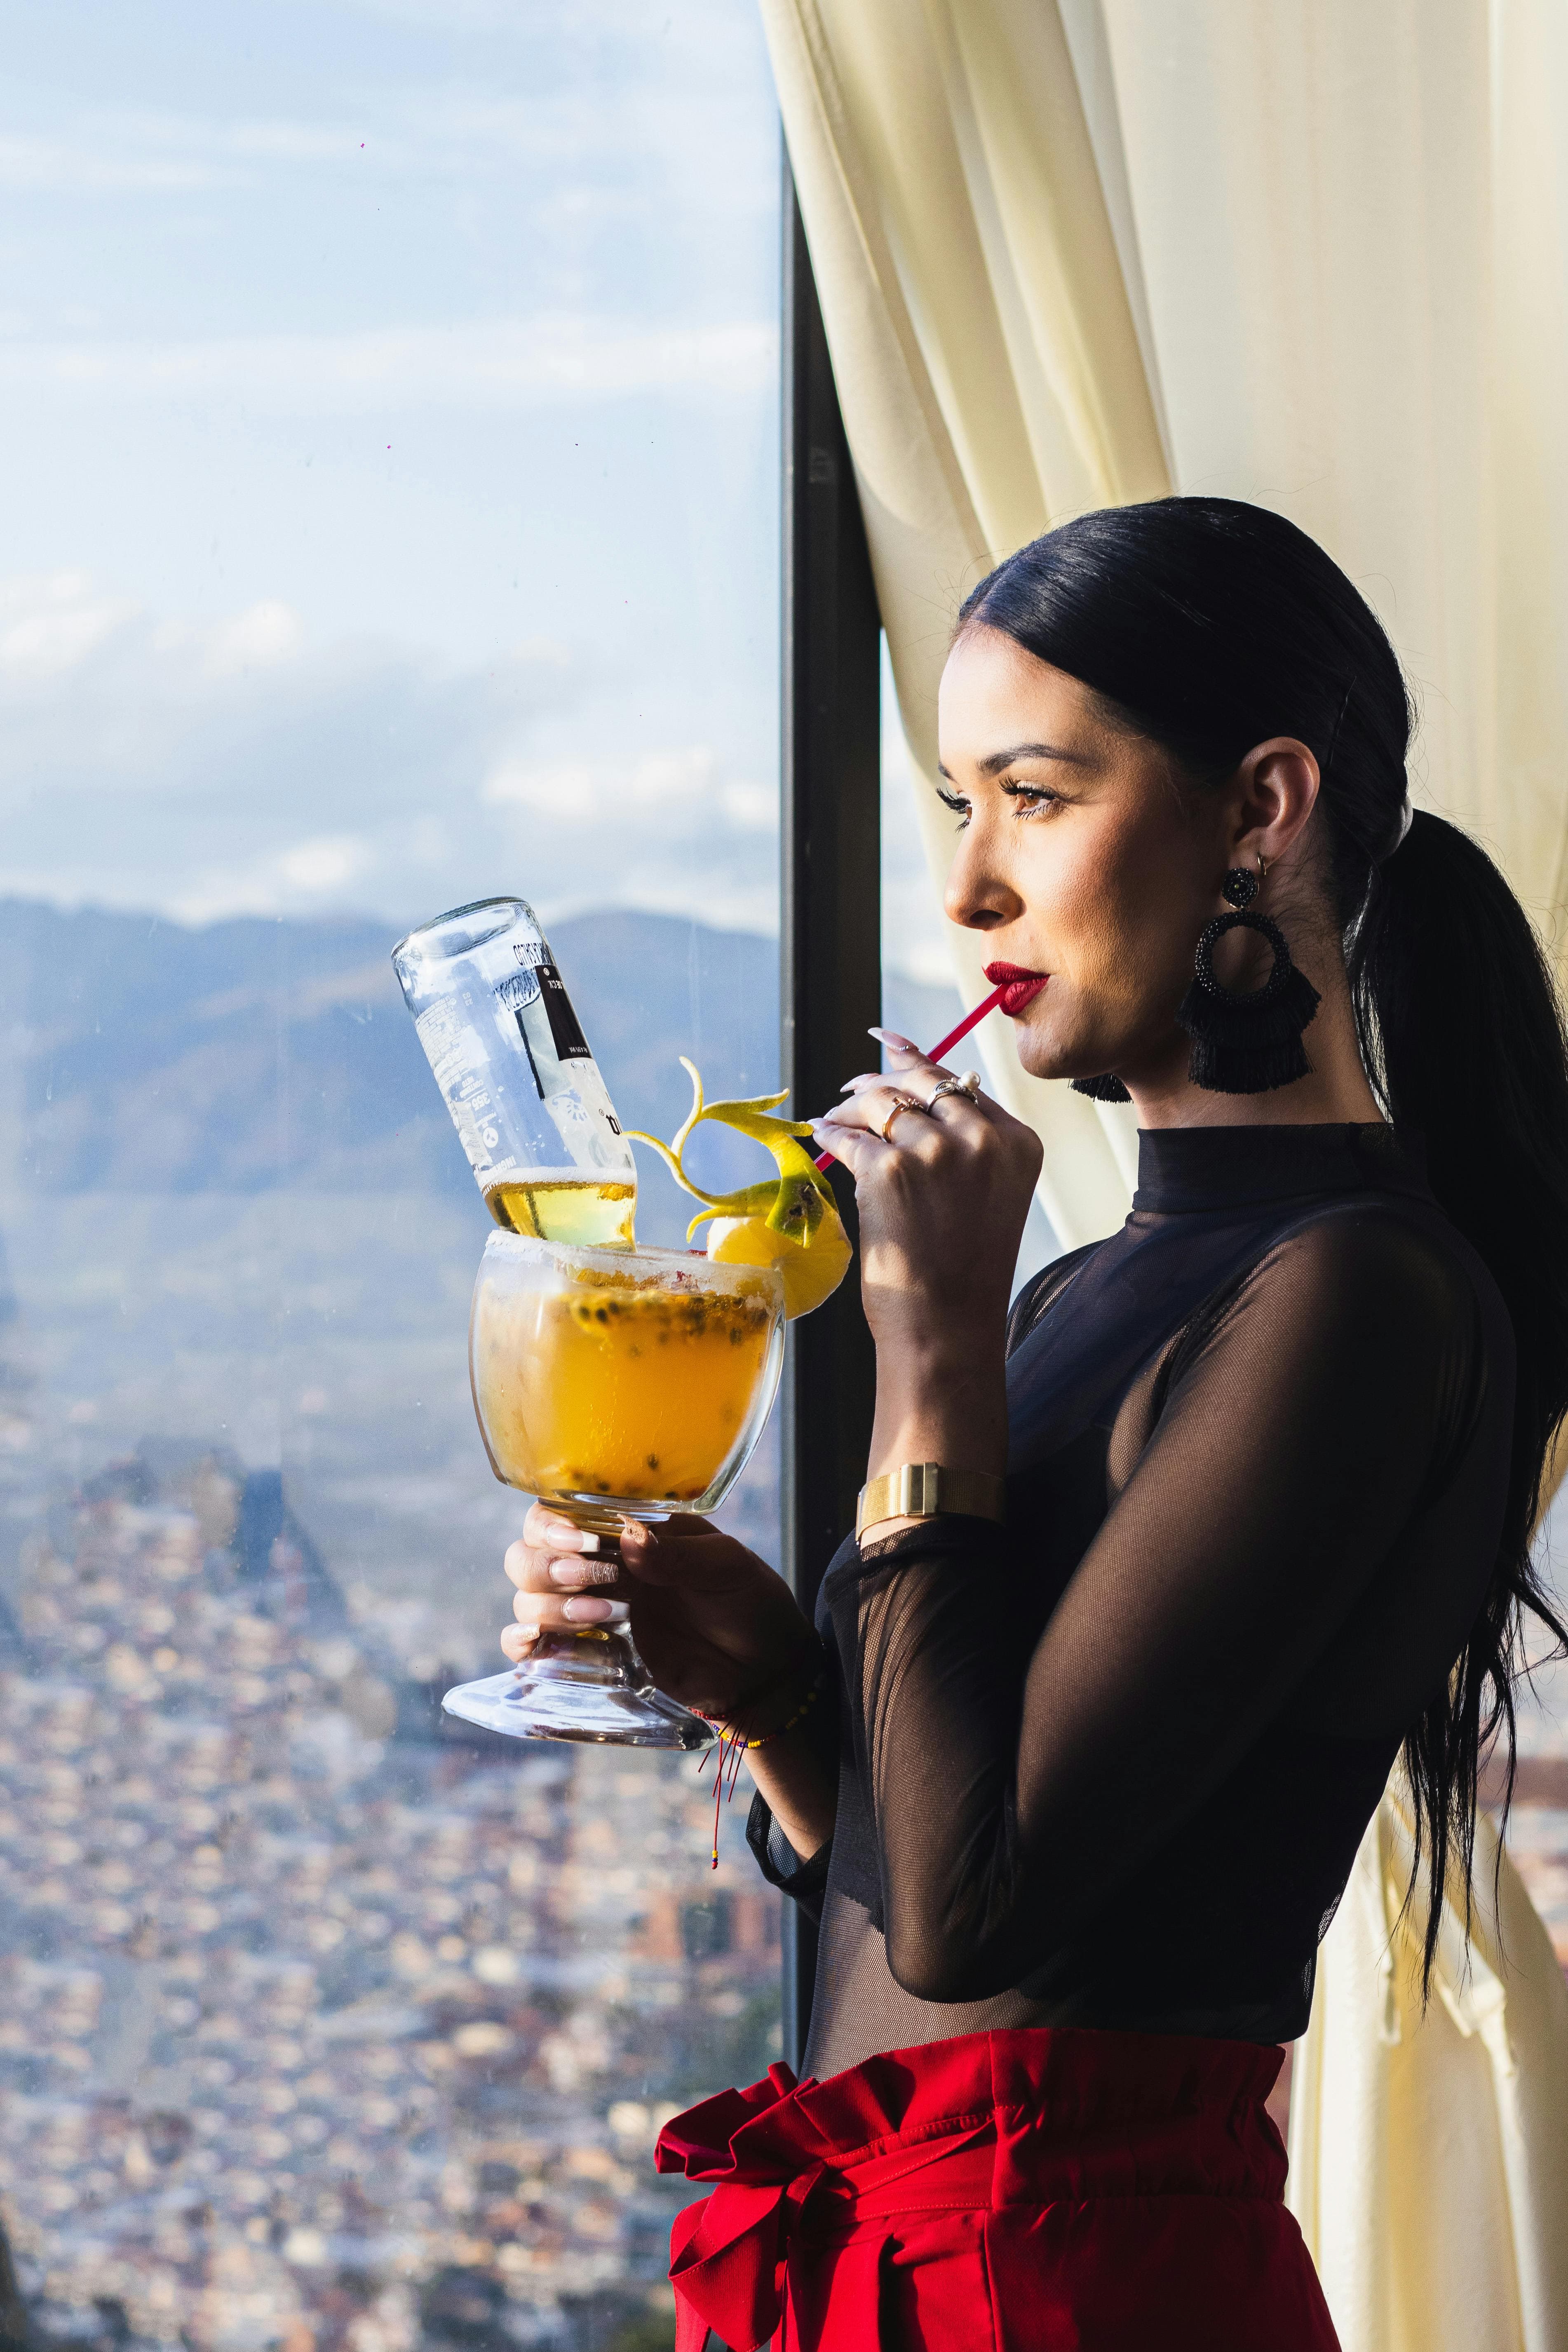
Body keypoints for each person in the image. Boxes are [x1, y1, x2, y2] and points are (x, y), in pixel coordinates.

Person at [499, 498, 1568, 2350]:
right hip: (906, 2260)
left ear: (1262, 810)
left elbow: (980, 1913)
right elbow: (951, 1882)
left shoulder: (1355, 1295)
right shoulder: (1088, 1291)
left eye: (1037, 798)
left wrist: (926, 1335)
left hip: (1076, 2287)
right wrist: (765, 1692)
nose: (968, 891)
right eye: (955, 806)